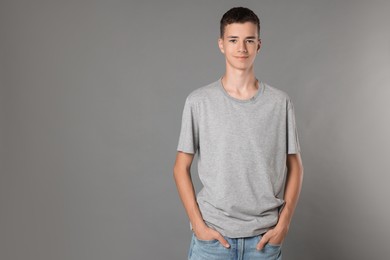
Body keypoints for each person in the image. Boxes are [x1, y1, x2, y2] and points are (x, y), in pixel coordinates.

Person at [173, 6, 304, 260]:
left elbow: (295, 166)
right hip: (213, 240)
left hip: (263, 242)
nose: (241, 48)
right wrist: (198, 225)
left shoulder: (280, 103)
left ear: (259, 45)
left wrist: (284, 223)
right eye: (233, 40)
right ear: (221, 44)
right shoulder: (199, 102)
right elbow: (180, 167)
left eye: (249, 40)